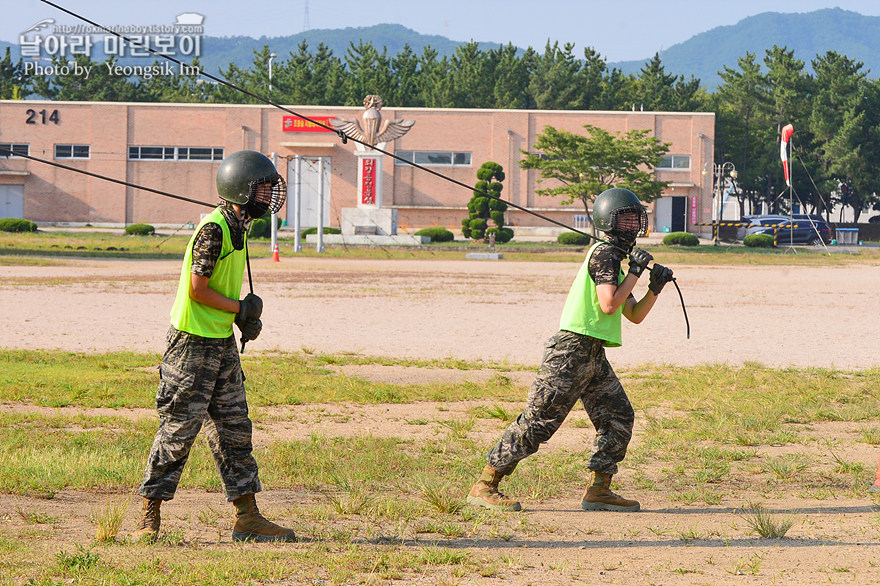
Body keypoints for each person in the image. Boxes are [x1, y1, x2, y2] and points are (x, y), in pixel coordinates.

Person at [467, 188, 675, 513]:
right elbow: (609, 305)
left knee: (618, 416)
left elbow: (633, 315)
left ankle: (599, 490)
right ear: (609, 220)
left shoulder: (616, 262)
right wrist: (635, 272)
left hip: (593, 355)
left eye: (637, 219)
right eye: (627, 219)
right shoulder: (604, 254)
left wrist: (654, 288)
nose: (633, 225)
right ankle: (485, 484)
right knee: (539, 421)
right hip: (570, 352)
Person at [131, 150, 295, 543]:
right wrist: (240, 308)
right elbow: (197, 288)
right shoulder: (215, 228)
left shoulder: (240, 226)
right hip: (190, 346)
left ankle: (248, 518)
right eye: (264, 186)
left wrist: (238, 318)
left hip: (220, 345)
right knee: (178, 429)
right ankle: (148, 516)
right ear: (242, 188)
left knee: (235, 431)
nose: (271, 193)